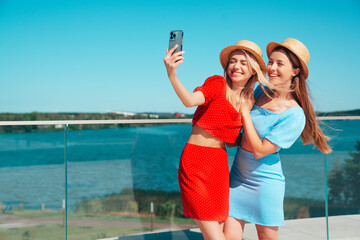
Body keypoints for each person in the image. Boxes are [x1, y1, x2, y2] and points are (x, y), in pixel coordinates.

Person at [224, 38, 332, 240]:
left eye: (279, 64)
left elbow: (260, 150)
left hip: (265, 184)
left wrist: (245, 113)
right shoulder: (259, 91)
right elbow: (242, 135)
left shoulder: (294, 114)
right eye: (270, 62)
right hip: (237, 177)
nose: (271, 68)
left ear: (295, 71)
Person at [163, 40, 269, 240]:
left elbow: (232, 140)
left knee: (218, 232)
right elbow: (189, 101)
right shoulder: (216, 84)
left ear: (253, 70)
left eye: (243, 63)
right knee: (214, 236)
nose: (236, 66)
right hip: (195, 162)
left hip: (219, 165)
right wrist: (172, 74)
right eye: (233, 61)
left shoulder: (249, 101)